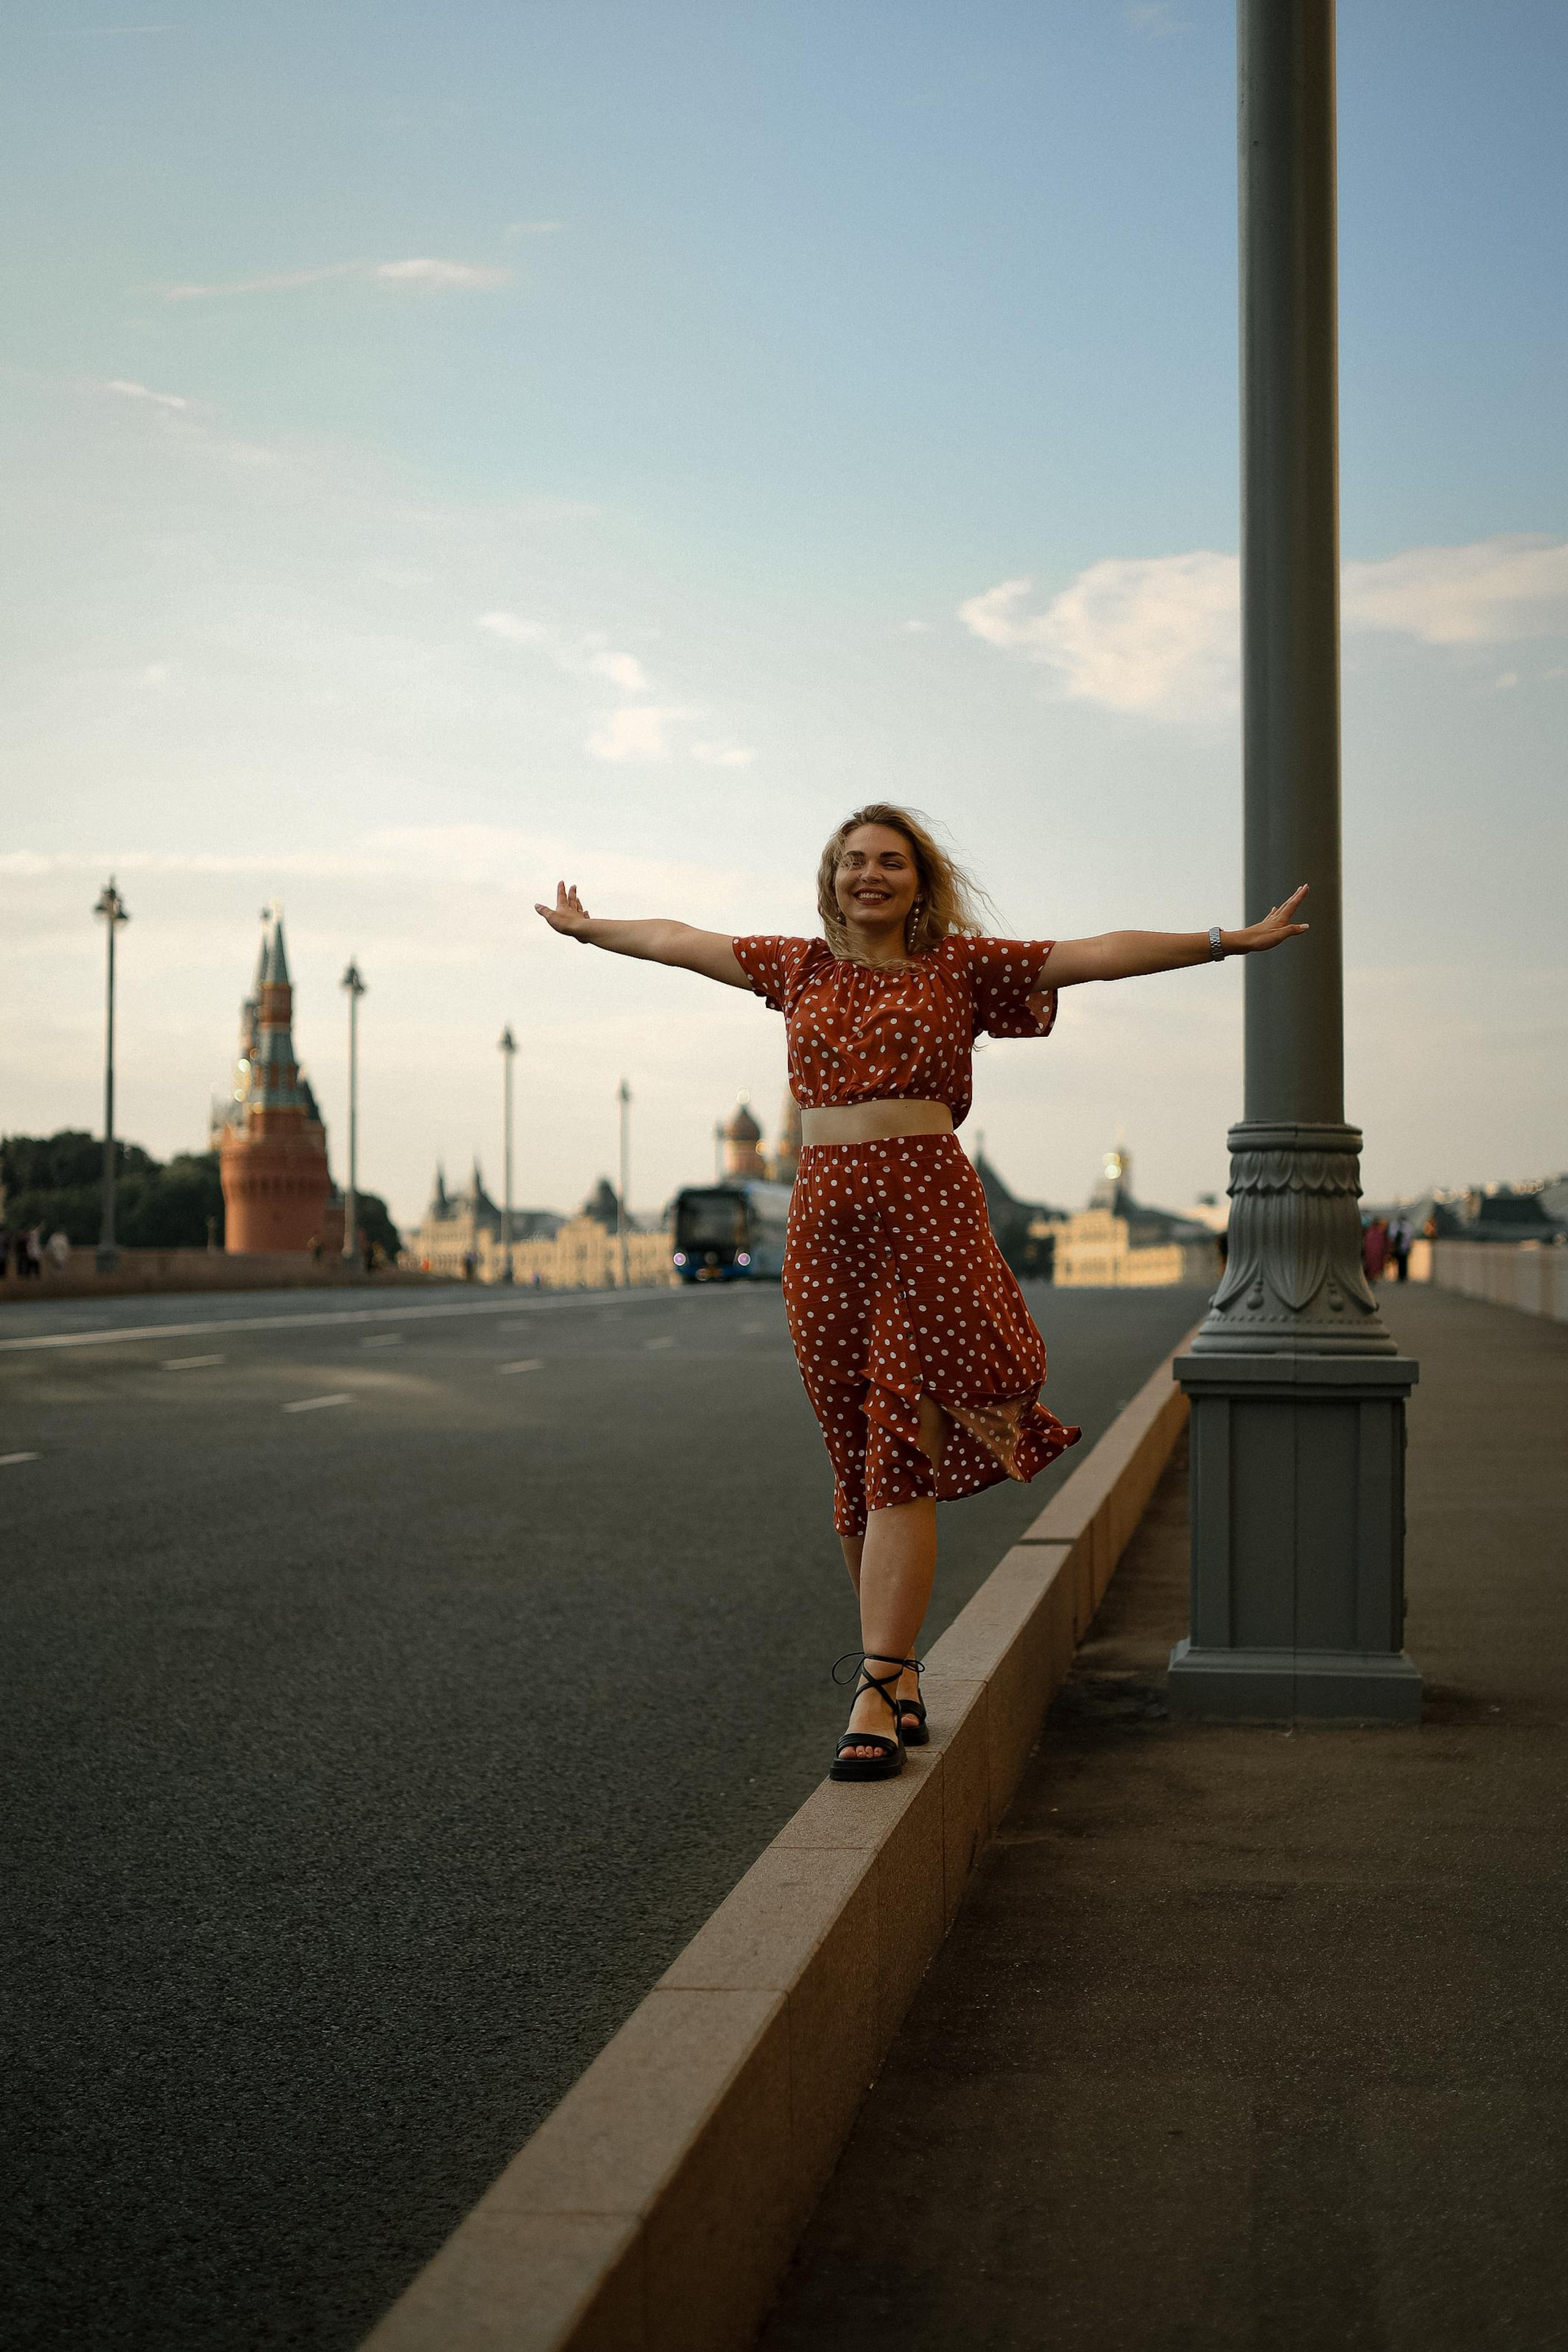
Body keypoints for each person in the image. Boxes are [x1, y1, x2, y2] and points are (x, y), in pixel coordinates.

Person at [537, 803, 1308, 1781]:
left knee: (903, 1430)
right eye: (854, 861)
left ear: (919, 880)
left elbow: (1095, 955)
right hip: (823, 1230)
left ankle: (874, 1683)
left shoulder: (960, 968)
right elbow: (683, 942)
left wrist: (1223, 942)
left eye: (891, 862)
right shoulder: (797, 968)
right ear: (832, 880)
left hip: (927, 1217)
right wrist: (592, 930)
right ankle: (897, 1677)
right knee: (855, 1455)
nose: (871, 875)